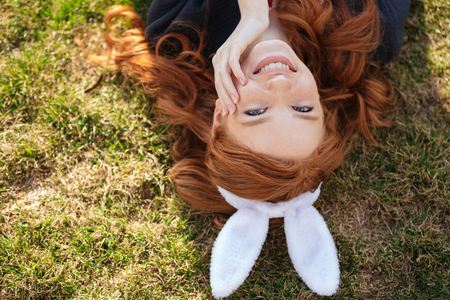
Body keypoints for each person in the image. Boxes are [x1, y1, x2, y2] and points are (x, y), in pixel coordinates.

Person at [76, 0, 411, 296]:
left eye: (255, 112)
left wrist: (253, 14)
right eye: (303, 109)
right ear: (324, 109)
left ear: (219, 119)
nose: (280, 85)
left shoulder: (177, 27)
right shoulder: (373, 33)